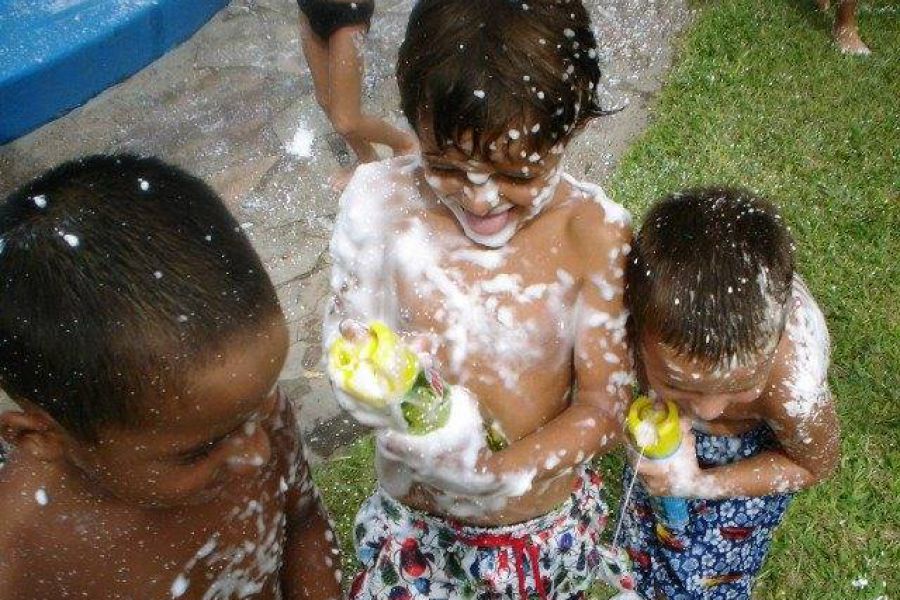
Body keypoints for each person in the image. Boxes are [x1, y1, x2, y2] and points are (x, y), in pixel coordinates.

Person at [324, 1, 634, 597]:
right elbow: (348, 335)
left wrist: (498, 475)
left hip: (533, 530)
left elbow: (604, 408)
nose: (481, 197)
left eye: (515, 174)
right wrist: (363, 372)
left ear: (573, 128)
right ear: (414, 117)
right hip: (413, 524)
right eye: (445, 165)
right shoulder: (382, 206)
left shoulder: (591, 236)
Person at [0, 155, 342, 599]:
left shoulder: (232, 414)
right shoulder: (25, 559)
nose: (258, 452)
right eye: (199, 451)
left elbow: (303, 521)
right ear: (41, 437)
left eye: (262, 405)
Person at [620, 188, 840, 599]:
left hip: (751, 463)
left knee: (711, 579)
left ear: (774, 345)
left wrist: (699, 484)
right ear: (635, 329)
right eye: (679, 384)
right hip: (672, 457)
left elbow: (814, 466)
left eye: (741, 387)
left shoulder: (791, 383)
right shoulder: (622, 327)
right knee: (646, 531)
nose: (708, 408)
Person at [297, 0, 417, 187]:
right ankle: (367, 158)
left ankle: (404, 144)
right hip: (309, 9)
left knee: (347, 121)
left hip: (347, 14)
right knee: (325, 99)